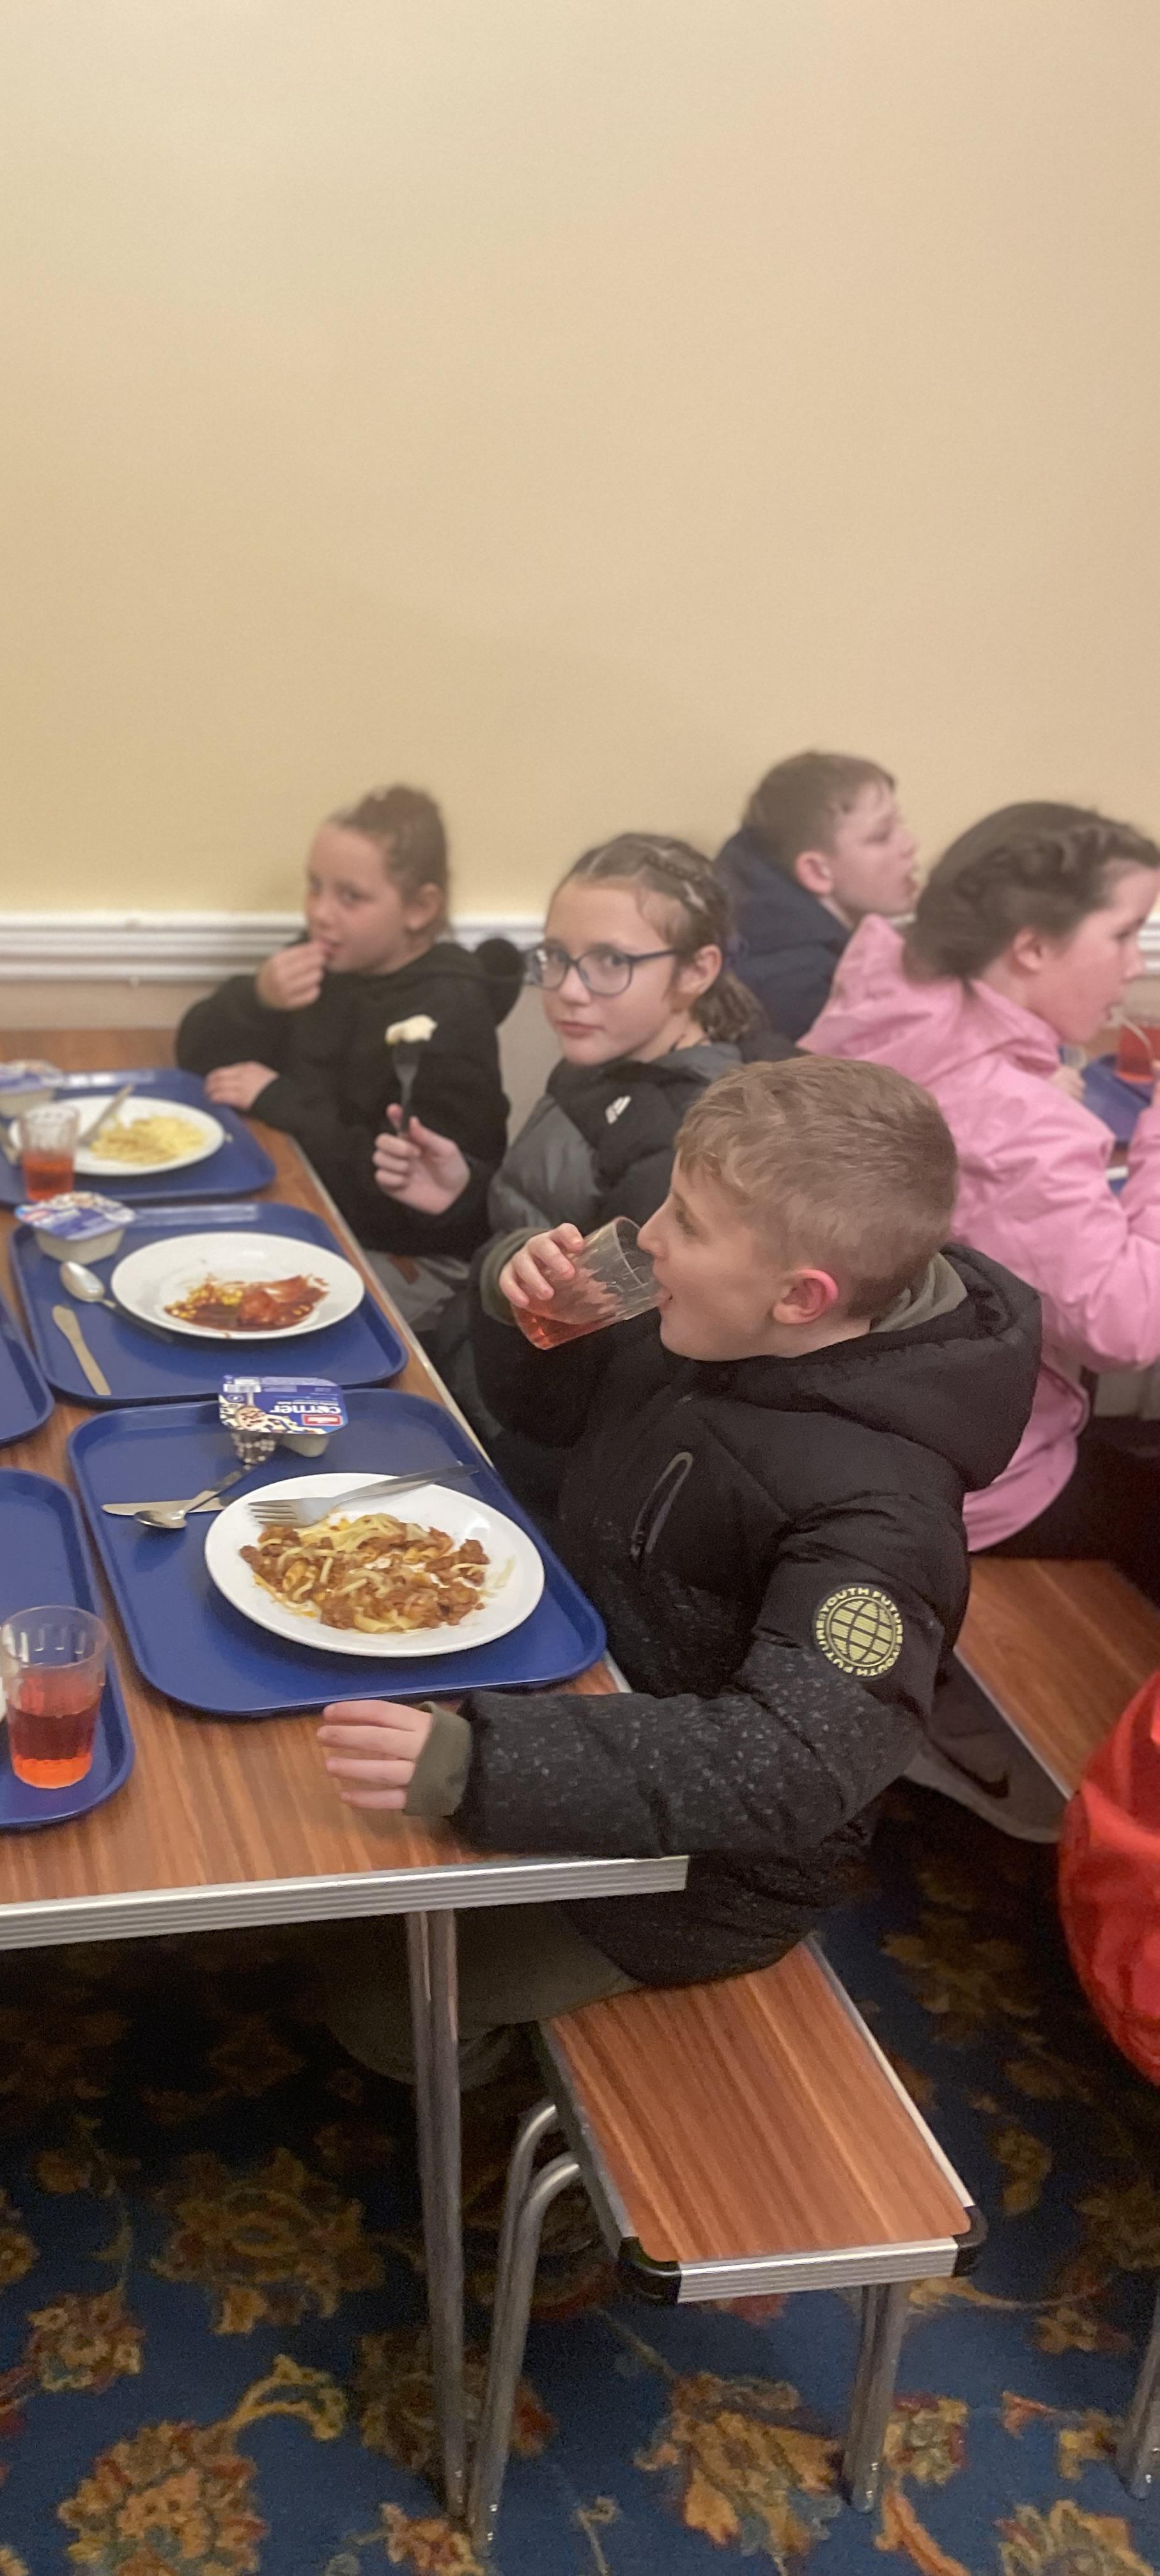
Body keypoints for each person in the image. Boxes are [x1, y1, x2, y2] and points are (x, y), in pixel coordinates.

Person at [311, 1056, 1040, 2086]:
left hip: (706, 1873)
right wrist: (517, 1292)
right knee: (333, 1827)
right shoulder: (698, 1295)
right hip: (585, 1681)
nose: (645, 1234)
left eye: (686, 1223)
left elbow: (793, 1761)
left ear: (802, 1297)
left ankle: (518, 2098)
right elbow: (541, 1410)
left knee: (385, 1994)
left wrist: (493, 1764)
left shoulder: (882, 1521)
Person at [804, 802, 1160, 1825]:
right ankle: (1055, 1765)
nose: (1134, 964)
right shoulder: (1011, 1122)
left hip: (838, 1426)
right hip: (961, 1487)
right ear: (1032, 945)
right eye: (1123, 934)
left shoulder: (889, 996)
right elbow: (1126, 1329)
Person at [372, 835, 789, 1354]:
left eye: (611, 960)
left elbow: (591, 1351)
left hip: (501, 1374)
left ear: (696, 971)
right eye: (556, 956)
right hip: (475, 1327)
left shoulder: (683, 1139)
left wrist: (503, 1269)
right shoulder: (603, 1058)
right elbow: (543, 1222)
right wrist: (463, 1196)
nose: (568, 989)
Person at [173, 786, 522, 1287]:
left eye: (350, 897)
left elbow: (396, 1195)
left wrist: (278, 1099)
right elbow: (196, 1056)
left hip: (407, 1256)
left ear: (420, 908)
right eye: (315, 886)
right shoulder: (330, 957)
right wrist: (257, 997)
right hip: (305, 1198)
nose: (320, 912)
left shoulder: (449, 1017)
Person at [716, 751, 919, 1040]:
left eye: (900, 824)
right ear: (816, 872)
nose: (910, 844)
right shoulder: (799, 988)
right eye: (881, 835)